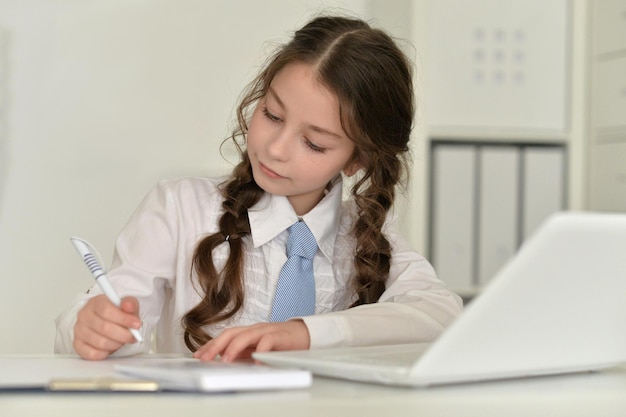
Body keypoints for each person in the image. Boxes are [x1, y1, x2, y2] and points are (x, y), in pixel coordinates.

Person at [55, 14, 463, 361]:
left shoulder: (369, 236)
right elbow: (112, 313)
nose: (275, 148)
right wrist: (89, 326)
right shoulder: (178, 208)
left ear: (358, 159)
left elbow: (440, 314)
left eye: (314, 143)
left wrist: (304, 334)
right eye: (271, 114)